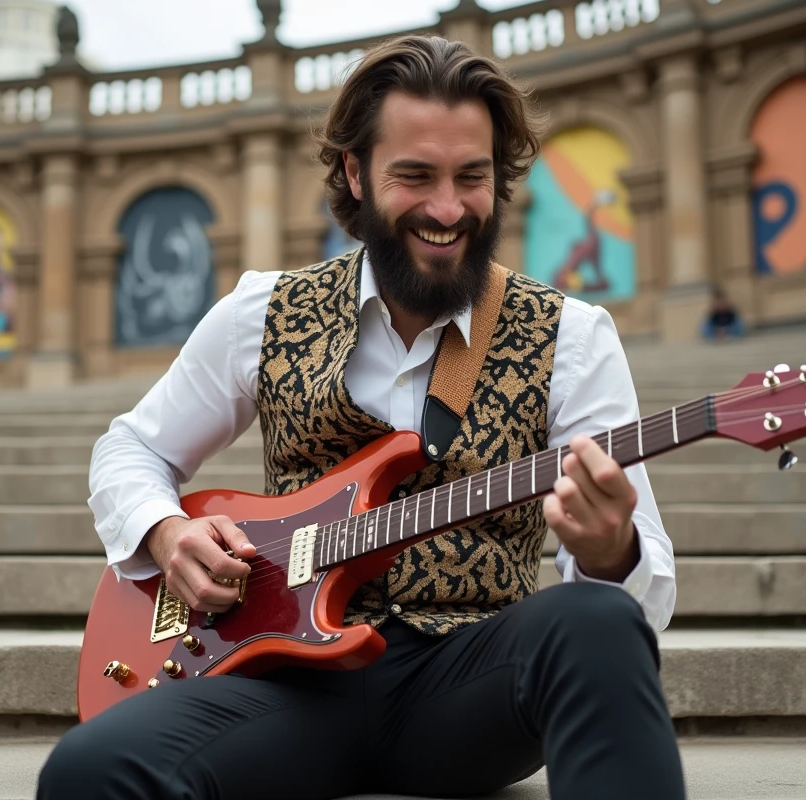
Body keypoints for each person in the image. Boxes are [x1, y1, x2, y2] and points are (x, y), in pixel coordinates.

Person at [39, 34, 683, 800]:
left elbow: (644, 589)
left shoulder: (571, 337)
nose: (447, 209)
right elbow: (130, 449)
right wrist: (168, 533)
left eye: (471, 177)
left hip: (466, 687)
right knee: (87, 770)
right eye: (415, 176)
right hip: (283, 687)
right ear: (354, 171)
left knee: (597, 623)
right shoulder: (262, 311)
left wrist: (610, 551)